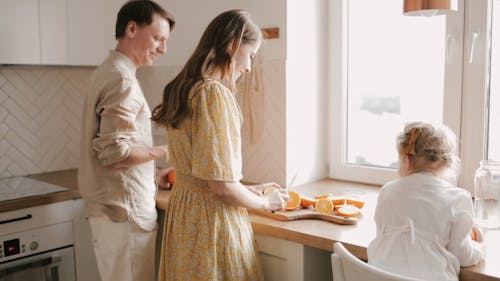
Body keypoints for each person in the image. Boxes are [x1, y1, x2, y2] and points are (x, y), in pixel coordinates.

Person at [151, 9, 289, 281]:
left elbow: (207, 176)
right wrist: (266, 202)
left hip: (184, 220)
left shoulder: (184, 88)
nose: (249, 67)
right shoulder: (213, 95)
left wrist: (248, 189)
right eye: (250, 55)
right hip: (210, 224)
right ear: (232, 45)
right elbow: (221, 187)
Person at [78, 1, 175, 281]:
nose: (163, 49)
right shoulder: (121, 79)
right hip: (124, 213)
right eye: (158, 38)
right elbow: (116, 153)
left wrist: (150, 175)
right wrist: (167, 150)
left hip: (117, 207)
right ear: (132, 29)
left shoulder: (112, 70)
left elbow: (115, 148)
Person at [367, 122, 485, 281]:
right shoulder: (457, 199)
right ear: (445, 161)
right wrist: (479, 248)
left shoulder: (387, 192)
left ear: (405, 158)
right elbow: (463, 255)